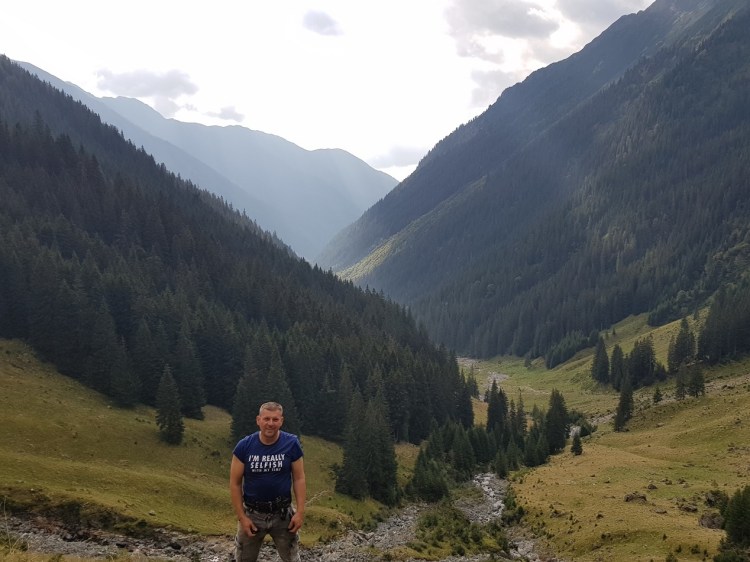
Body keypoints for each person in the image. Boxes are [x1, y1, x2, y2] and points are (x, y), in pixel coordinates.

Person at [230, 401, 306, 562]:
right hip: (252, 514)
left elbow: (299, 479)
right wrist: (242, 517)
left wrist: (299, 513)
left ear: (281, 421)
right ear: (258, 420)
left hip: (283, 514)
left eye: (275, 419)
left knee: (292, 558)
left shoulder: (291, 443)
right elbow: (235, 484)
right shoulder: (244, 446)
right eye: (266, 419)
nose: (270, 423)